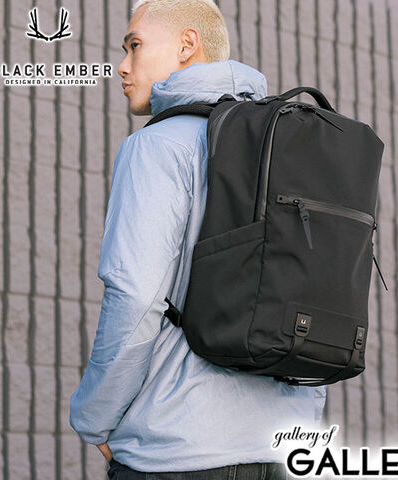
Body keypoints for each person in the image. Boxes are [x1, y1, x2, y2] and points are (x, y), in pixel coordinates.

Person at [69, 0, 327, 478]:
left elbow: (136, 296)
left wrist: (93, 419)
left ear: (187, 44)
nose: (122, 66)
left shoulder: (157, 145)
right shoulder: (285, 144)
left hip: (178, 449)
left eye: (134, 45)